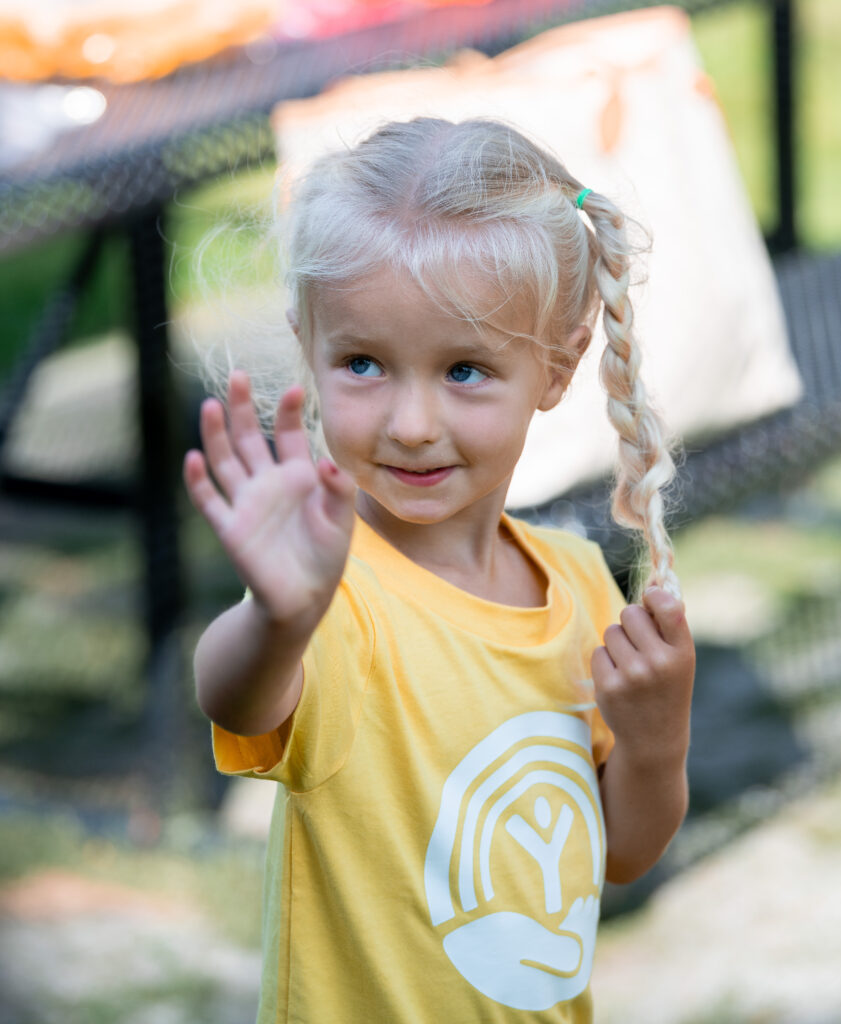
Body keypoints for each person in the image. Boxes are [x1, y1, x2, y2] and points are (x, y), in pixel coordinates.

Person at [183, 117, 696, 1023]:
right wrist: (274, 618)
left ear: (557, 366)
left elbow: (616, 856)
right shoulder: (335, 597)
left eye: (464, 370)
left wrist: (656, 739)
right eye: (365, 363)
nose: (412, 422)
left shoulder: (578, 582)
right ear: (310, 344)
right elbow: (235, 699)